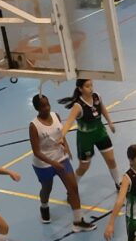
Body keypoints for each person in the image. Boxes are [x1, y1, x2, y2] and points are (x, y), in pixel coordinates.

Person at [29, 94, 96, 231]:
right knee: (47, 189)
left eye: (47, 104)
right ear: (37, 108)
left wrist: (67, 149)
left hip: (61, 158)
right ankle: (44, 206)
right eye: (43, 106)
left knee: (73, 188)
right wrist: (53, 163)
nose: (46, 108)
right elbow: (36, 152)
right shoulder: (34, 126)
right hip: (44, 163)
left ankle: (78, 221)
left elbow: (61, 134)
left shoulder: (55, 116)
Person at [57, 79, 121, 189]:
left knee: (111, 159)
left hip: (100, 132)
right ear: (80, 89)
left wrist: (110, 122)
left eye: (91, 85)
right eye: (87, 86)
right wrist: (61, 136)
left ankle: (118, 182)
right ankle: (72, 188)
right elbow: (68, 122)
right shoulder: (78, 106)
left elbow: (102, 108)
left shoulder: (96, 97)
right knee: (84, 167)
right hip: (85, 138)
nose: (91, 88)